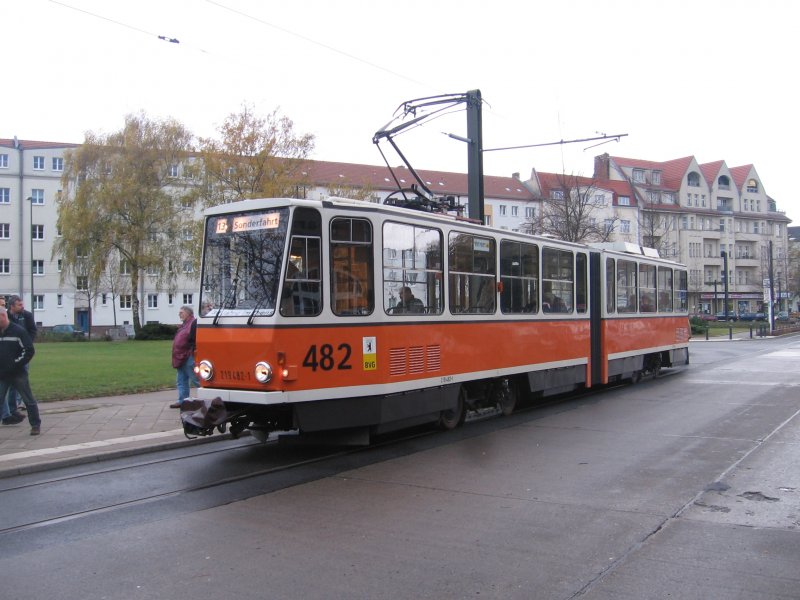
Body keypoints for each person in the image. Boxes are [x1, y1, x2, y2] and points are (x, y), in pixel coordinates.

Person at [0, 307, 42, 434]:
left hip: (17, 372)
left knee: (28, 399)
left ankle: (35, 424)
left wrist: (16, 363)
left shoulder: (18, 331)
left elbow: (29, 350)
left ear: (3, 316)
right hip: (2, 373)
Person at [6, 295, 36, 414]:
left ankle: (20, 405)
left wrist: (27, 343)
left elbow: (32, 330)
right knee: (9, 383)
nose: (22, 306)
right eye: (19, 305)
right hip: (9, 354)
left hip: (23, 353)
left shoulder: (27, 315)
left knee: (22, 380)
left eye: (22, 304)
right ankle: (11, 409)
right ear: (12, 306)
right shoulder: (5, 316)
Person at [170, 305, 199, 408]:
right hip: (180, 358)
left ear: (188, 313)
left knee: (197, 380)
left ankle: (211, 399)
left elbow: (194, 339)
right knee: (181, 380)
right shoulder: (185, 324)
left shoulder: (193, 323)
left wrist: (191, 352)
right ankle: (182, 401)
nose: (179, 314)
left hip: (188, 356)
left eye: (181, 312)